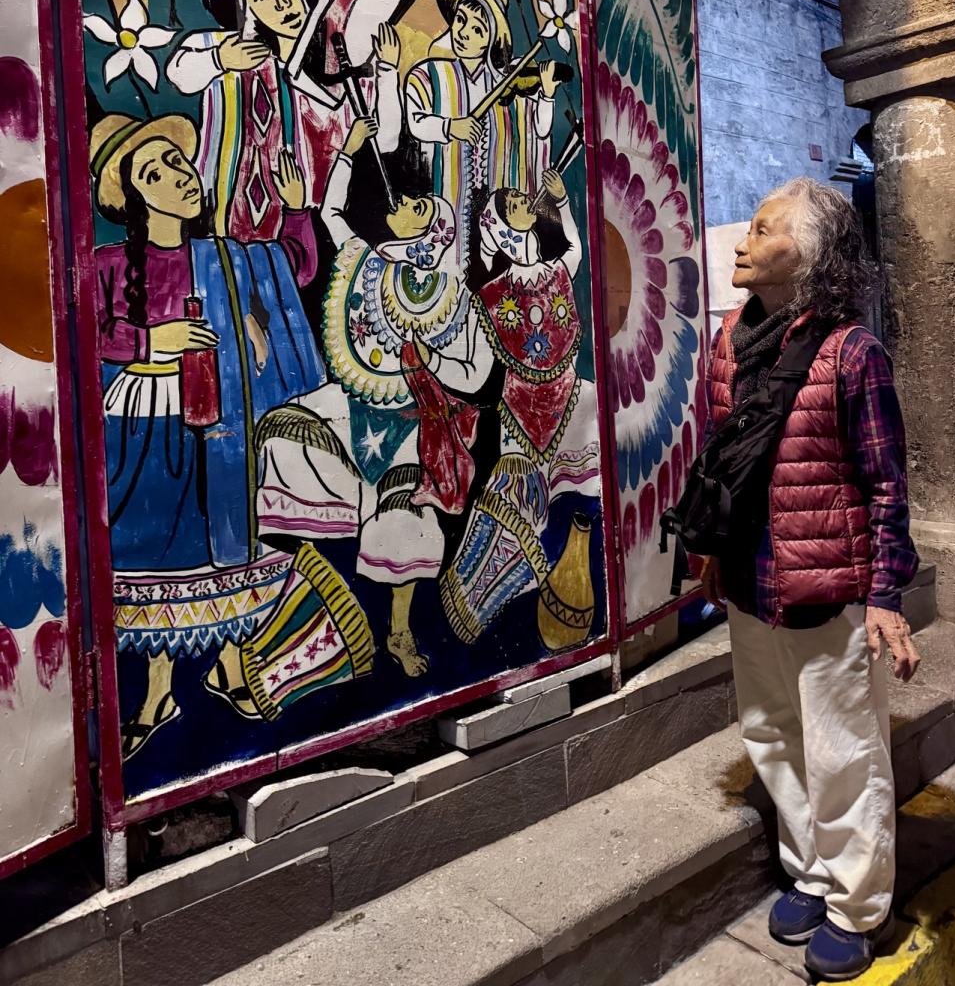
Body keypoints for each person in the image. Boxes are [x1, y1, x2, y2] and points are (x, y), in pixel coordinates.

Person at [698, 177, 920, 982]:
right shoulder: (727, 339)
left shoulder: (850, 353)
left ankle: (856, 905)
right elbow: (721, 461)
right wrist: (708, 553)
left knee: (842, 753)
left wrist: (885, 596)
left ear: (811, 253)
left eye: (764, 230)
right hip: (749, 578)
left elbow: (886, 483)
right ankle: (811, 871)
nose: (743, 242)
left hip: (828, 588)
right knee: (769, 733)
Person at [91, 112, 323, 755]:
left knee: (224, 543)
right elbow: (87, 329)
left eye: (176, 161)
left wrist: (296, 210)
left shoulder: (222, 256)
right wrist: (151, 341)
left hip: (216, 424)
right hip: (142, 427)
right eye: (154, 172)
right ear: (133, 198)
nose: (177, 175)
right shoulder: (109, 263)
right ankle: (156, 693)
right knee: (158, 558)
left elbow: (293, 270)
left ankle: (229, 665)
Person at [254, 119, 478, 678]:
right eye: (401, 202)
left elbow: (473, 374)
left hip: (411, 419)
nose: (406, 208)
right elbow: (332, 212)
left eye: (418, 204)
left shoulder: (449, 288)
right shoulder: (365, 258)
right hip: (351, 400)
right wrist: (349, 153)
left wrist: (432, 365)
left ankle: (398, 630)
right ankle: (309, 585)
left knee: (404, 519)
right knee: (282, 437)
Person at [428, 172, 601, 643]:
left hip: (568, 397)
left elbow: (574, 249)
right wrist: (433, 363)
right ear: (500, 224)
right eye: (517, 203)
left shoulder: (553, 269)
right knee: (517, 503)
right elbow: (473, 372)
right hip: (520, 411)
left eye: (526, 199)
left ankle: (564, 578)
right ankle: (478, 598)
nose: (527, 203)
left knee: (574, 493)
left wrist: (562, 203)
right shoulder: (494, 288)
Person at [167, 0, 402, 241]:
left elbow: (387, 139)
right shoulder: (237, 51)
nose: (280, 4)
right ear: (249, 10)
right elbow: (179, 72)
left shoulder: (346, 62)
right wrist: (220, 59)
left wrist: (388, 71)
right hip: (240, 226)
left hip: (323, 228)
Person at [404, 0, 560, 267]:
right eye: (461, 20)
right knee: (450, 259)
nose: (464, 33)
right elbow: (416, 121)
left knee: (487, 266)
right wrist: (450, 127)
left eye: (478, 30)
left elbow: (537, 131)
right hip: (449, 192)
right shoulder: (432, 74)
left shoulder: (506, 85)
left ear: (491, 39)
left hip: (494, 197)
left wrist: (547, 95)